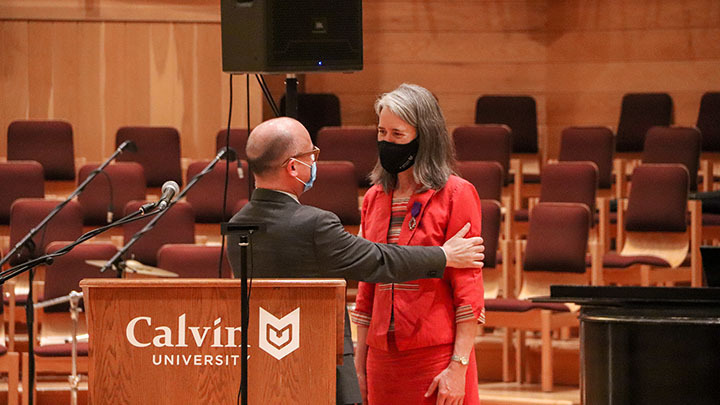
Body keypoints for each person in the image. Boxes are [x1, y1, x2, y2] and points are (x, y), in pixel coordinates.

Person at [226, 117, 485, 405]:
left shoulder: (237, 226)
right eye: (311, 156)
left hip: (264, 360)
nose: (314, 163)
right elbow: (377, 260)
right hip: (319, 363)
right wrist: (444, 255)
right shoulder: (315, 224)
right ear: (293, 167)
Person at [351, 84, 484, 405]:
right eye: (382, 132)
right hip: (380, 357)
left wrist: (459, 366)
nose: (387, 142)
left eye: (398, 135)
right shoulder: (374, 198)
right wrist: (359, 364)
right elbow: (367, 285)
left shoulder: (456, 194)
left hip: (434, 354)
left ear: (424, 137)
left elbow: (468, 288)